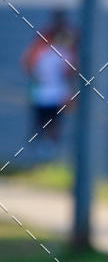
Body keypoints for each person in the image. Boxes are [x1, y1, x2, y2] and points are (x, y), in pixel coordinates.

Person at [22, 10, 78, 157]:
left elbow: (29, 65)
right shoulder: (57, 51)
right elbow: (71, 73)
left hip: (48, 94)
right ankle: (46, 148)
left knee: (47, 122)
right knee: (49, 123)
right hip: (49, 93)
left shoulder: (45, 50)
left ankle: (46, 148)